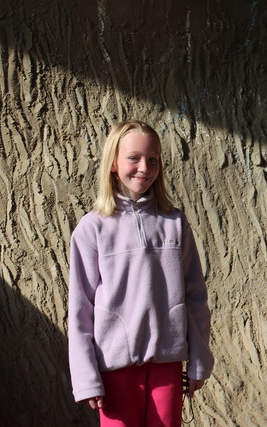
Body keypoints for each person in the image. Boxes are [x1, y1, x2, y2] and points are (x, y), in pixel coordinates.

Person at [68, 120, 214, 426]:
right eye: (133, 158)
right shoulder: (92, 228)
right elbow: (80, 309)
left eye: (153, 159)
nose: (144, 167)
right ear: (113, 163)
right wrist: (86, 378)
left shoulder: (174, 223)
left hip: (167, 364)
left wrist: (199, 359)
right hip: (114, 369)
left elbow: (195, 296)